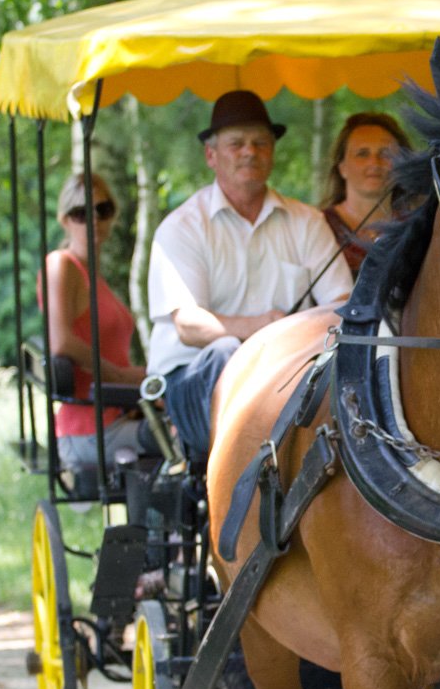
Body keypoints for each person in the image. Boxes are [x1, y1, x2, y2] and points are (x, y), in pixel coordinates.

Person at [146, 91, 354, 459]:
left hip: (287, 372)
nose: (249, 152)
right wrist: (269, 327)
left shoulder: (307, 222)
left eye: (260, 143)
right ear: (211, 155)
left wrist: (291, 343)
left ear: (272, 152)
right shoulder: (182, 227)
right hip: (194, 378)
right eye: (236, 143)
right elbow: (190, 325)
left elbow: (341, 305)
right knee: (225, 352)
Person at [39, 173, 149, 471]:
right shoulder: (61, 265)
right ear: (65, 220)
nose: (94, 220)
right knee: (188, 437)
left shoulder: (95, 278)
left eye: (103, 210)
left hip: (120, 413)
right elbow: (61, 342)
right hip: (88, 431)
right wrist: (122, 377)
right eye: (81, 212)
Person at [319, 112, 412, 272]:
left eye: (386, 153)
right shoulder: (318, 226)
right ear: (342, 167)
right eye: (362, 153)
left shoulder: (418, 228)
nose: (374, 163)